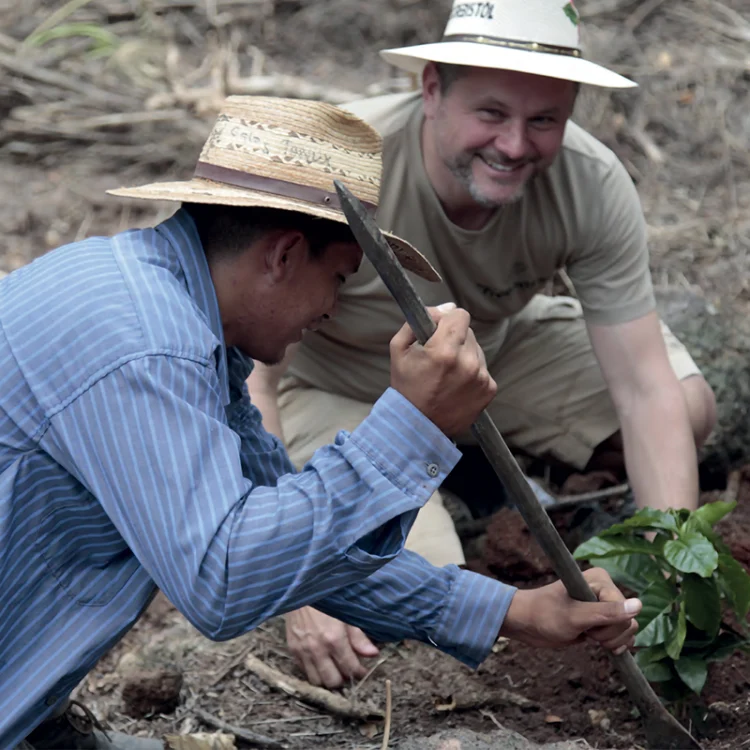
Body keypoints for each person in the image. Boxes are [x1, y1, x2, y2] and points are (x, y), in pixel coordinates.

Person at [0, 95, 640, 750]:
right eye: (338, 277)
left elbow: (297, 541)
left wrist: (519, 611)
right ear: (282, 256)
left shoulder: (179, 325)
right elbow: (223, 579)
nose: (333, 308)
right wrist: (412, 424)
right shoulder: (142, 339)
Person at [247, 0, 717, 689]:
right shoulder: (338, 165)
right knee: (417, 585)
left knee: (687, 405)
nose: (516, 145)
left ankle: (467, 466)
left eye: (545, 120)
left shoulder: (590, 182)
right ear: (431, 88)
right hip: (341, 383)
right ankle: (457, 481)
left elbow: (643, 385)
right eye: (492, 114)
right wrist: (293, 573)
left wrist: (671, 572)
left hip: (487, 352)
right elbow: (251, 377)